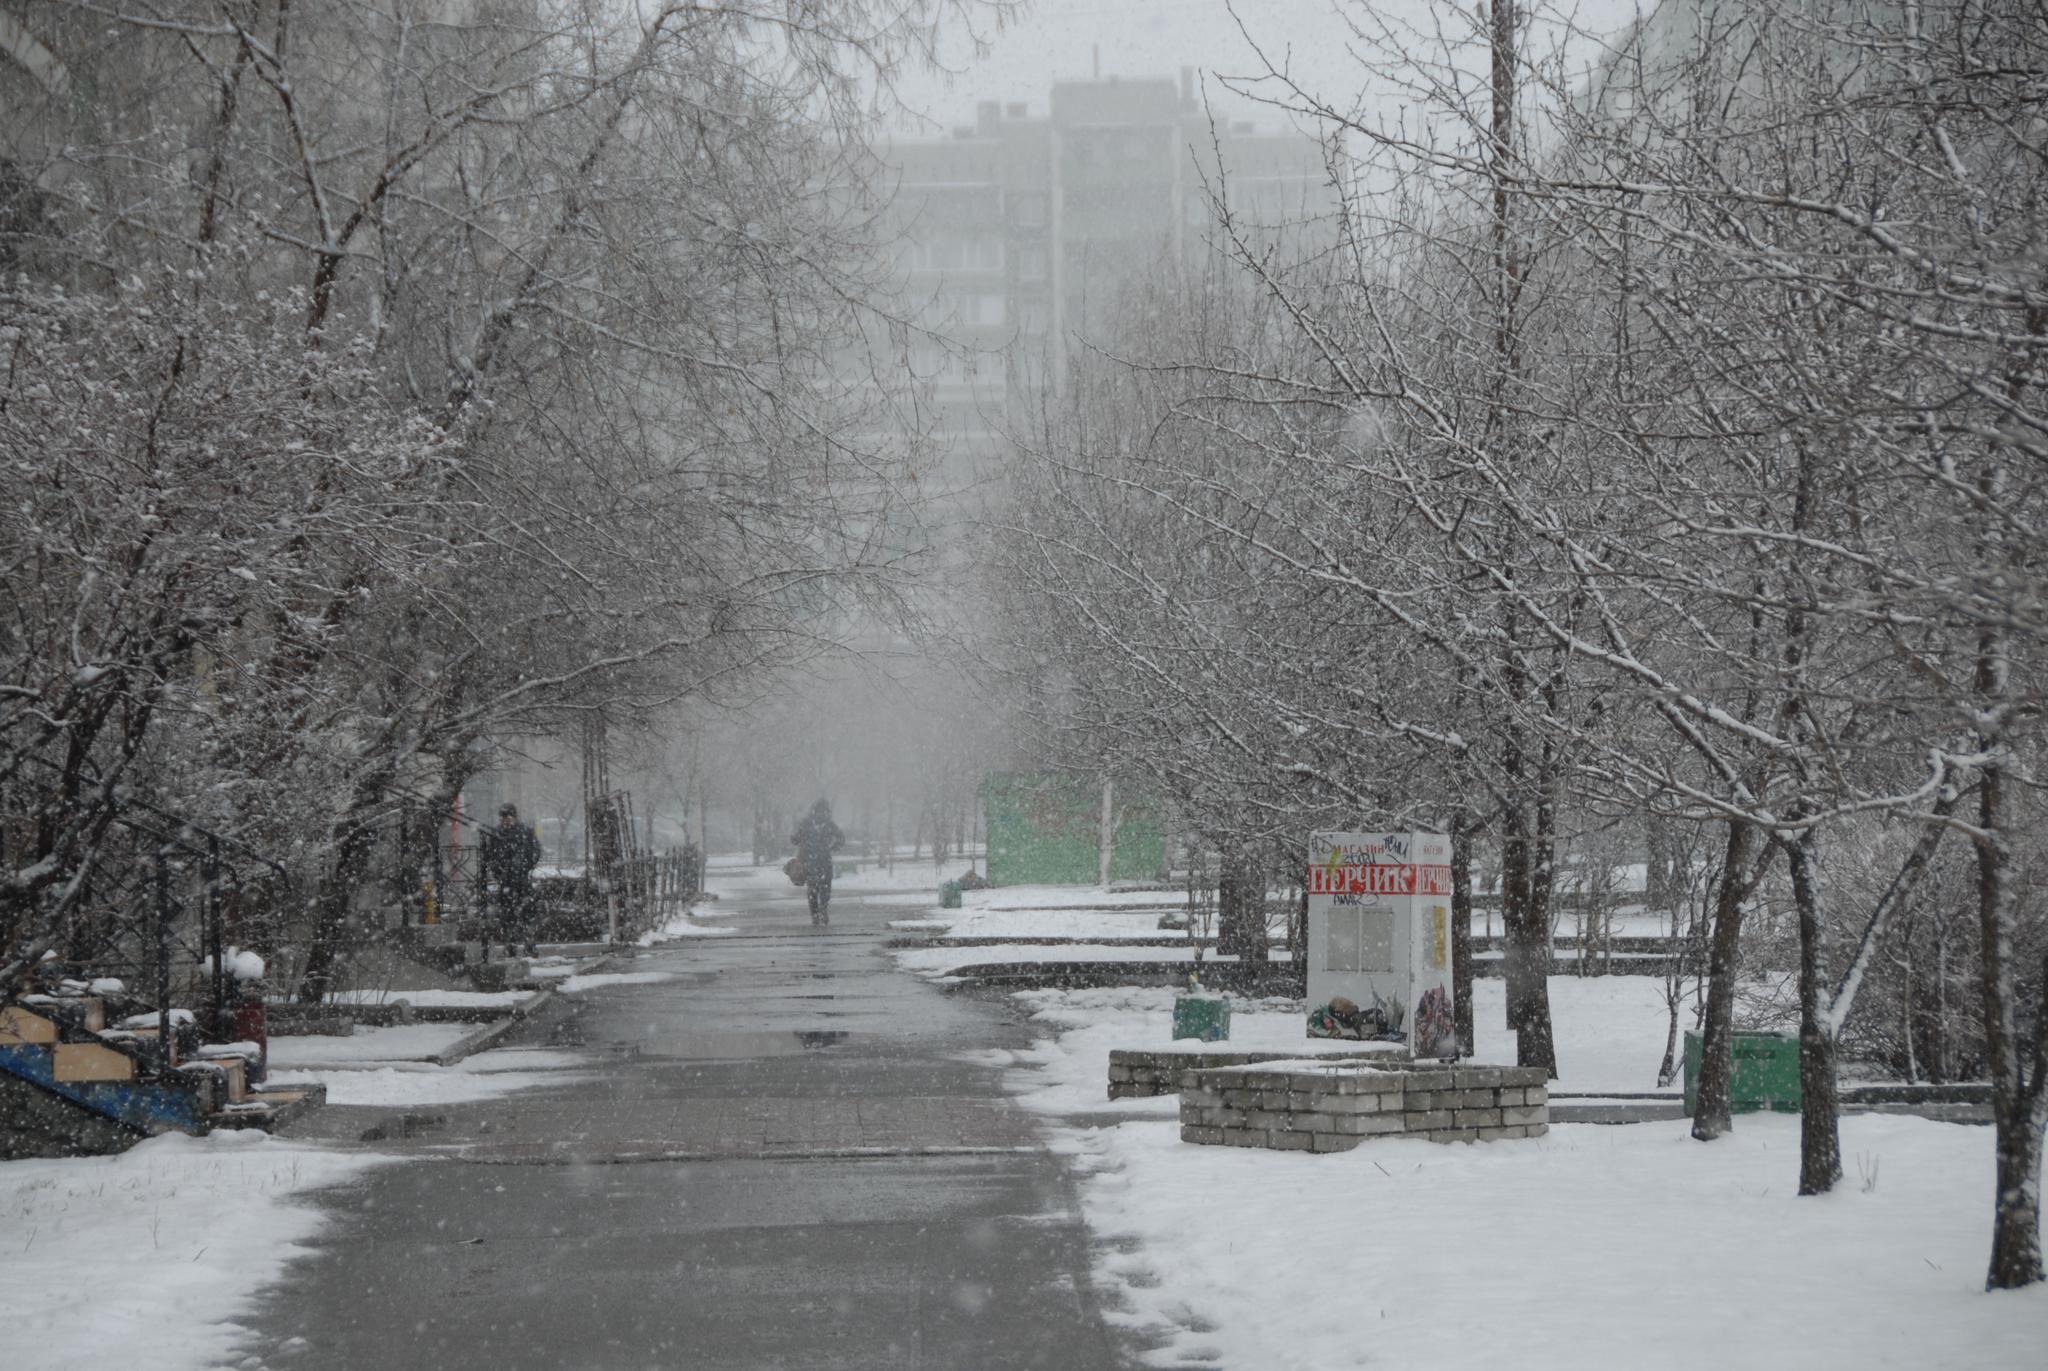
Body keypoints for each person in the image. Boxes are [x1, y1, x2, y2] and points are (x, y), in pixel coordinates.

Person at [479, 802, 542, 956]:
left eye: (507, 816)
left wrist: (524, 866)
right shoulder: (497, 833)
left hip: (520, 879)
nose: (505, 820)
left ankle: (529, 944)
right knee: (508, 914)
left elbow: (535, 851)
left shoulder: (525, 832)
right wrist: (498, 871)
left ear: (514, 817)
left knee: (527, 912)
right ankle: (511, 943)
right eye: (503, 817)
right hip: (506, 880)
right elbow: (488, 855)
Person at [791, 799, 844, 925]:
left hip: (810, 861)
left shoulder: (806, 823)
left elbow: (795, 840)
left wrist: (796, 839)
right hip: (824, 860)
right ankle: (823, 910)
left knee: (812, 889)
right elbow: (841, 838)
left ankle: (815, 915)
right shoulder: (829, 823)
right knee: (825, 887)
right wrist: (833, 847)